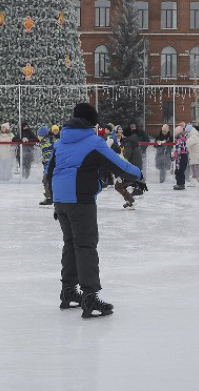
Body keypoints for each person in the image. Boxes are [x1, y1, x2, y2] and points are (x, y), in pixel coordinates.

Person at [46, 102, 143, 318]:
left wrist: (55, 199)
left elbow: (49, 170)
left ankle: (69, 292)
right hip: (80, 200)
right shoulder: (92, 142)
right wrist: (138, 174)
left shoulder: (61, 142)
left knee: (71, 244)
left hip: (61, 200)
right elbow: (118, 165)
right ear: (92, 122)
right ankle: (89, 297)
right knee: (86, 245)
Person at [38, 126, 54, 205]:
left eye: (39, 135)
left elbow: (48, 158)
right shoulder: (49, 140)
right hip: (53, 166)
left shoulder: (45, 144)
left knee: (46, 181)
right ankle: (52, 197)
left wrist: (47, 169)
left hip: (50, 167)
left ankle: (49, 198)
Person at [173, 125, 189, 190]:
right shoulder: (184, 138)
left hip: (181, 156)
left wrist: (174, 155)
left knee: (179, 171)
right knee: (181, 170)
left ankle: (180, 184)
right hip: (184, 156)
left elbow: (178, 149)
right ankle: (181, 183)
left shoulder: (180, 140)